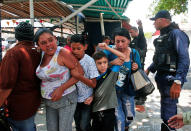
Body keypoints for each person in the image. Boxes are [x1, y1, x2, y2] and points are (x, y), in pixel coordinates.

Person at [146, 10, 190, 131]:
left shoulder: (176, 34)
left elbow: (184, 59)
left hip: (171, 80)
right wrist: (149, 69)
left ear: (161, 20)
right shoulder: (163, 36)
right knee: (165, 114)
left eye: (155, 21)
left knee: (169, 117)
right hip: (162, 79)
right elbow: (160, 58)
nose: (153, 23)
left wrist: (178, 81)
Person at [34, 28, 84, 131]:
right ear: (38, 45)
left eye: (50, 40)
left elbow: (80, 73)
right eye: (43, 43)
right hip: (49, 101)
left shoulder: (62, 53)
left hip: (66, 98)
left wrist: (61, 88)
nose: (48, 44)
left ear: (55, 39)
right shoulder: (43, 54)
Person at [0, 22, 41, 131]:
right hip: (33, 102)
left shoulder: (13, 53)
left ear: (17, 36)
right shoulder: (38, 51)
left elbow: (6, 85)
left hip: (18, 106)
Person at [104, 28, 142, 131]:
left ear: (128, 41)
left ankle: (126, 126)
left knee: (130, 115)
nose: (120, 44)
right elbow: (98, 66)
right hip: (112, 91)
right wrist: (111, 63)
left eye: (123, 41)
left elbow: (139, 68)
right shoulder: (108, 51)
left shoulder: (134, 53)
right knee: (118, 117)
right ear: (113, 41)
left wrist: (136, 67)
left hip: (128, 90)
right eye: (117, 41)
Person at [91, 43, 126, 131]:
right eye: (99, 63)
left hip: (109, 110)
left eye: (105, 62)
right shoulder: (92, 76)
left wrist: (107, 47)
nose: (103, 65)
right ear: (94, 64)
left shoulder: (112, 73)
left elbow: (122, 57)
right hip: (95, 111)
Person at [70, 34, 99, 131]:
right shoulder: (69, 59)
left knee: (84, 125)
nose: (75, 51)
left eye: (78, 48)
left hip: (87, 99)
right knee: (78, 124)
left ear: (85, 47)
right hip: (74, 99)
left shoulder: (89, 61)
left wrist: (79, 76)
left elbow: (93, 83)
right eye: (73, 49)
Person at [129, 20, 148, 111]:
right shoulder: (133, 40)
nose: (130, 33)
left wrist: (140, 26)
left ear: (136, 32)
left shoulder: (140, 39)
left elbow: (141, 34)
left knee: (141, 81)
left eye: (131, 32)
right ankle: (138, 95)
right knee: (136, 81)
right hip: (134, 64)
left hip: (140, 64)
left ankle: (142, 98)